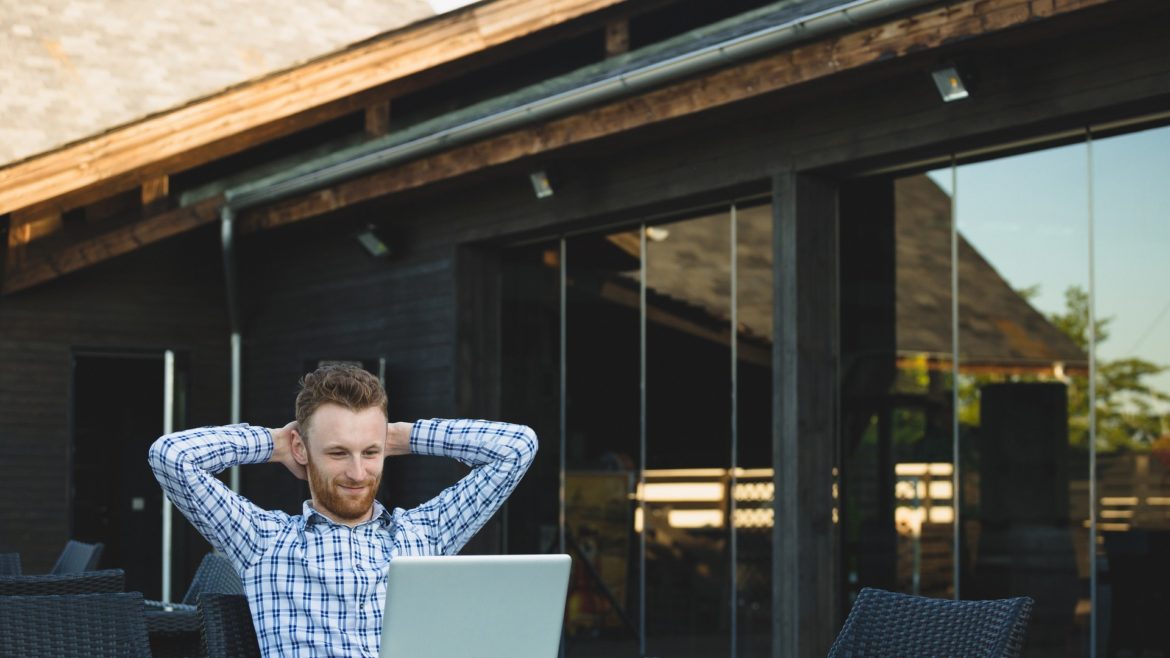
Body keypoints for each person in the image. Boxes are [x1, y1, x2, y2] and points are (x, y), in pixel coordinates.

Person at [148, 363, 537, 657]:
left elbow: (518, 447)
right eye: (337, 452)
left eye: (370, 452)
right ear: (303, 450)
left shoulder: (426, 533)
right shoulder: (261, 539)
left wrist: (404, 436)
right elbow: (171, 457)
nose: (357, 473)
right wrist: (275, 443)